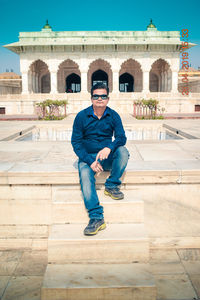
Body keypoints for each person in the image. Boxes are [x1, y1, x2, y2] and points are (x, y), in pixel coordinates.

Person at [71, 82, 130, 236]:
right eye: (96, 96)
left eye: (103, 96)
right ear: (91, 98)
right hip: (88, 157)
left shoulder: (113, 115)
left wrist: (109, 147)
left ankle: (111, 185)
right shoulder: (81, 116)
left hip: (106, 156)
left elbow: (121, 137)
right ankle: (96, 217)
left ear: (108, 99)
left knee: (123, 152)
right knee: (84, 175)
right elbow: (76, 143)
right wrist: (90, 162)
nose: (99, 99)